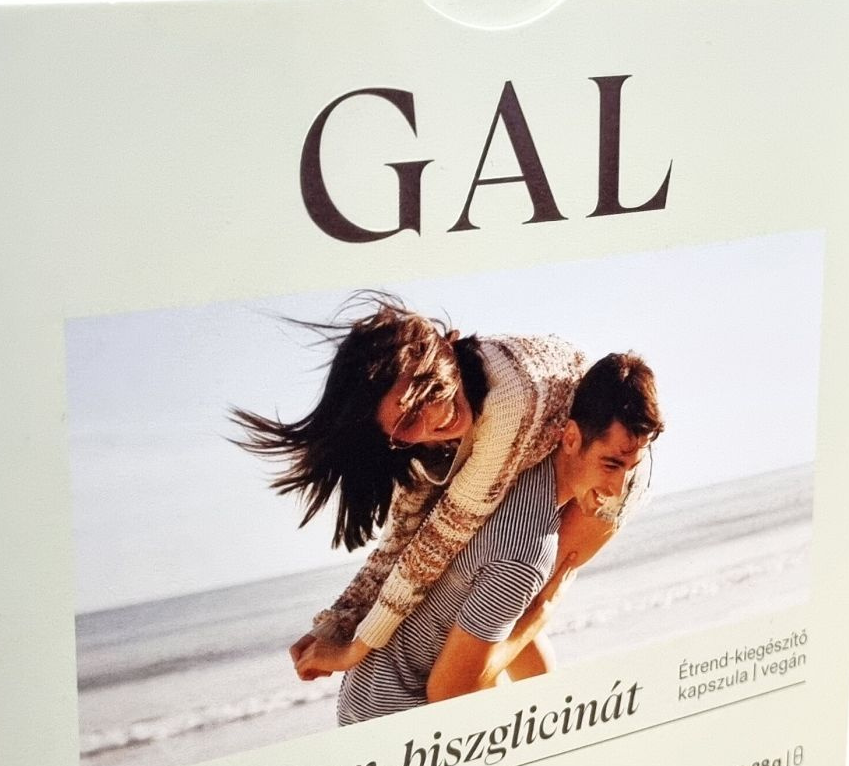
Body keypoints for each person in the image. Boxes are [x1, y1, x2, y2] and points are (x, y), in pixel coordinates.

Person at [230, 293, 649, 683]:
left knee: (511, 604)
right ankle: (536, 706)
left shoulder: (509, 399)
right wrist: (336, 623)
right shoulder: (425, 443)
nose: (435, 418)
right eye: (406, 423)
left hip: (606, 468)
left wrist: (355, 649)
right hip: (543, 462)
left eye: (429, 390)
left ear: (445, 351)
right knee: (490, 604)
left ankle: (541, 711)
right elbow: (398, 542)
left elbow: (439, 542)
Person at [338, 353, 664, 722]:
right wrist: (537, 617)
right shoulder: (527, 553)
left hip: (362, 692)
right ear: (571, 437)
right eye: (611, 464)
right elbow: (449, 693)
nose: (618, 488)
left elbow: (491, 632)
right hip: (396, 720)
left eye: (630, 469)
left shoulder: (514, 473)